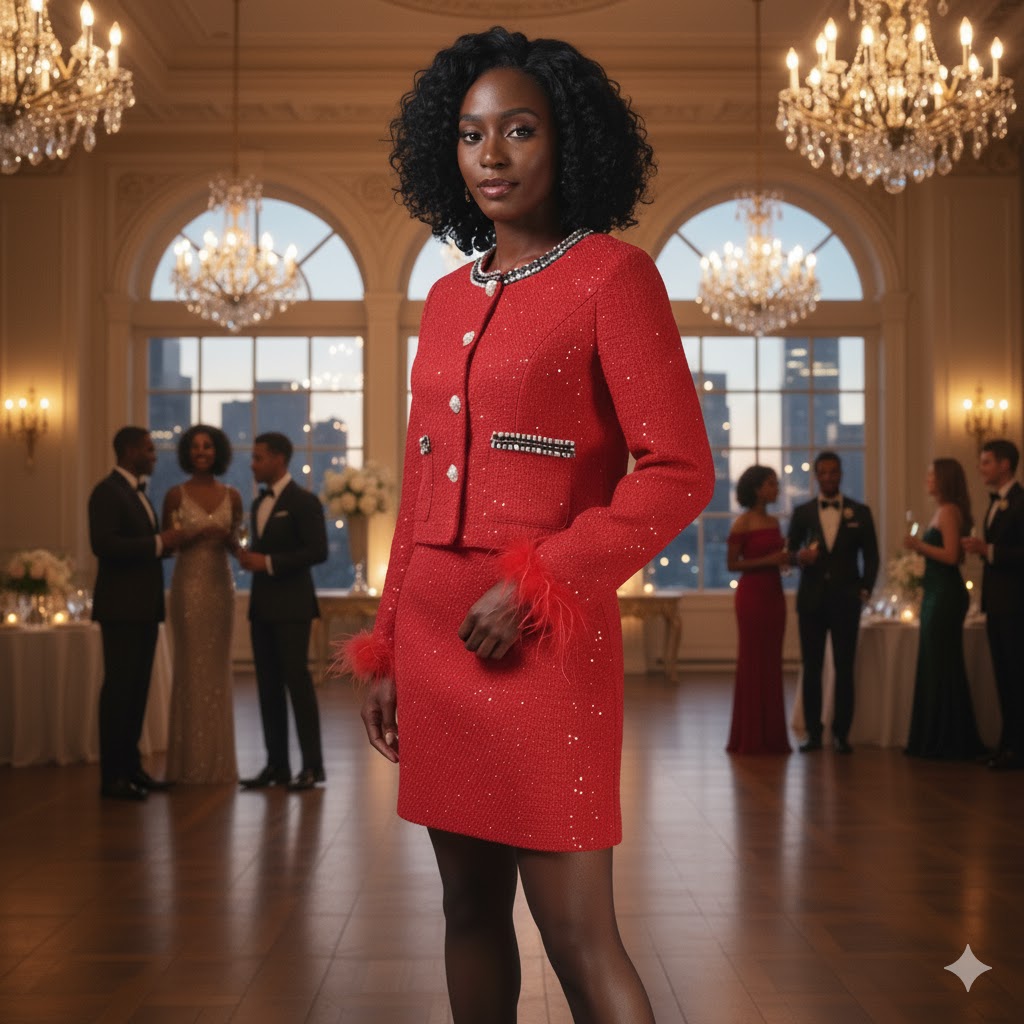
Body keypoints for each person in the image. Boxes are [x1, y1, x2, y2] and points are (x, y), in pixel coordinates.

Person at [337, 27, 714, 1023]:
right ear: (444, 153)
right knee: (465, 909)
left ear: (569, 142)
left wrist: (542, 576)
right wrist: (384, 650)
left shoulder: (612, 278)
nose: (492, 156)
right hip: (434, 636)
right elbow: (419, 495)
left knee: (581, 935)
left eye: (517, 130)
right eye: (469, 135)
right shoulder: (446, 295)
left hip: (541, 636)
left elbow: (678, 472)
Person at [89, 426, 183, 800]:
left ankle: (132, 770)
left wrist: (164, 547)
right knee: (119, 692)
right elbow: (104, 544)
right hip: (121, 609)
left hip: (143, 609)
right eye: (148, 449)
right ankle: (112, 777)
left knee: (137, 692)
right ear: (129, 451)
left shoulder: (135, 492)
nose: (154, 455)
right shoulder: (106, 492)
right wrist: (161, 541)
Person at [237, 432, 329, 791]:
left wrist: (269, 562)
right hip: (261, 607)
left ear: (279, 459)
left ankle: (312, 766)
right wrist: (247, 557)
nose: (253, 463)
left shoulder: (303, 501)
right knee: (267, 687)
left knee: (298, 684)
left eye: (258, 457)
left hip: (293, 606)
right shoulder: (258, 503)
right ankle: (276, 765)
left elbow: (318, 552)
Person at [161, 425, 243, 783]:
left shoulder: (233, 495)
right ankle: (186, 764)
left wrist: (227, 538)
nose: (201, 451)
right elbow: (166, 544)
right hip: (188, 586)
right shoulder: (175, 496)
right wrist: (189, 534)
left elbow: (239, 548)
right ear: (186, 452)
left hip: (219, 585)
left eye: (208, 445)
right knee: (189, 667)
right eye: (195, 446)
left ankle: (219, 763)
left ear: (218, 451)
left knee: (216, 669)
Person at [787, 451, 879, 754]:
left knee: (844, 667)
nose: (828, 477)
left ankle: (842, 733)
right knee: (811, 668)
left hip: (846, 602)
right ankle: (813, 733)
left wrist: (864, 589)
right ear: (816, 476)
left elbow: (872, 556)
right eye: (823, 472)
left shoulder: (860, 512)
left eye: (833, 472)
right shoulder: (802, 513)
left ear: (841, 474)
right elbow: (789, 553)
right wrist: (801, 557)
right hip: (811, 601)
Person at [903, 458, 984, 759]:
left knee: (940, 663)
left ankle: (943, 737)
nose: (927, 479)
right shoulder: (945, 510)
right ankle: (940, 734)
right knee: (937, 662)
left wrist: (917, 545)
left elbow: (952, 556)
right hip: (938, 592)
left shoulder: (949, 511)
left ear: (943, 479)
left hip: (946, 593)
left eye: (931, 475)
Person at [962, 439, 1024, 771]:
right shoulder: (996, 503)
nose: (981, 468)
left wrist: (989, 551)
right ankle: (1007, 745)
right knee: (1002, 675)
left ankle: (1017, 748)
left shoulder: (1020, 502)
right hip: (997, 603)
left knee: (1016, 676)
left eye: (986, 462)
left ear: (1004, 465)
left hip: (1016, 604)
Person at [726, 466, 792, 755]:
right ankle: (751, 736)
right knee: (753, 661)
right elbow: (733, 565)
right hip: (752, 595)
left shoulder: (774, 522)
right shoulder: (742, 523)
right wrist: (770, 559)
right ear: (756, 489)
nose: (776, 488)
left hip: (774, 594)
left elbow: (778, 558)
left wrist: (784, 559)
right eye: (771, 483)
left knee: (772, 662)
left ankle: (773, 735)